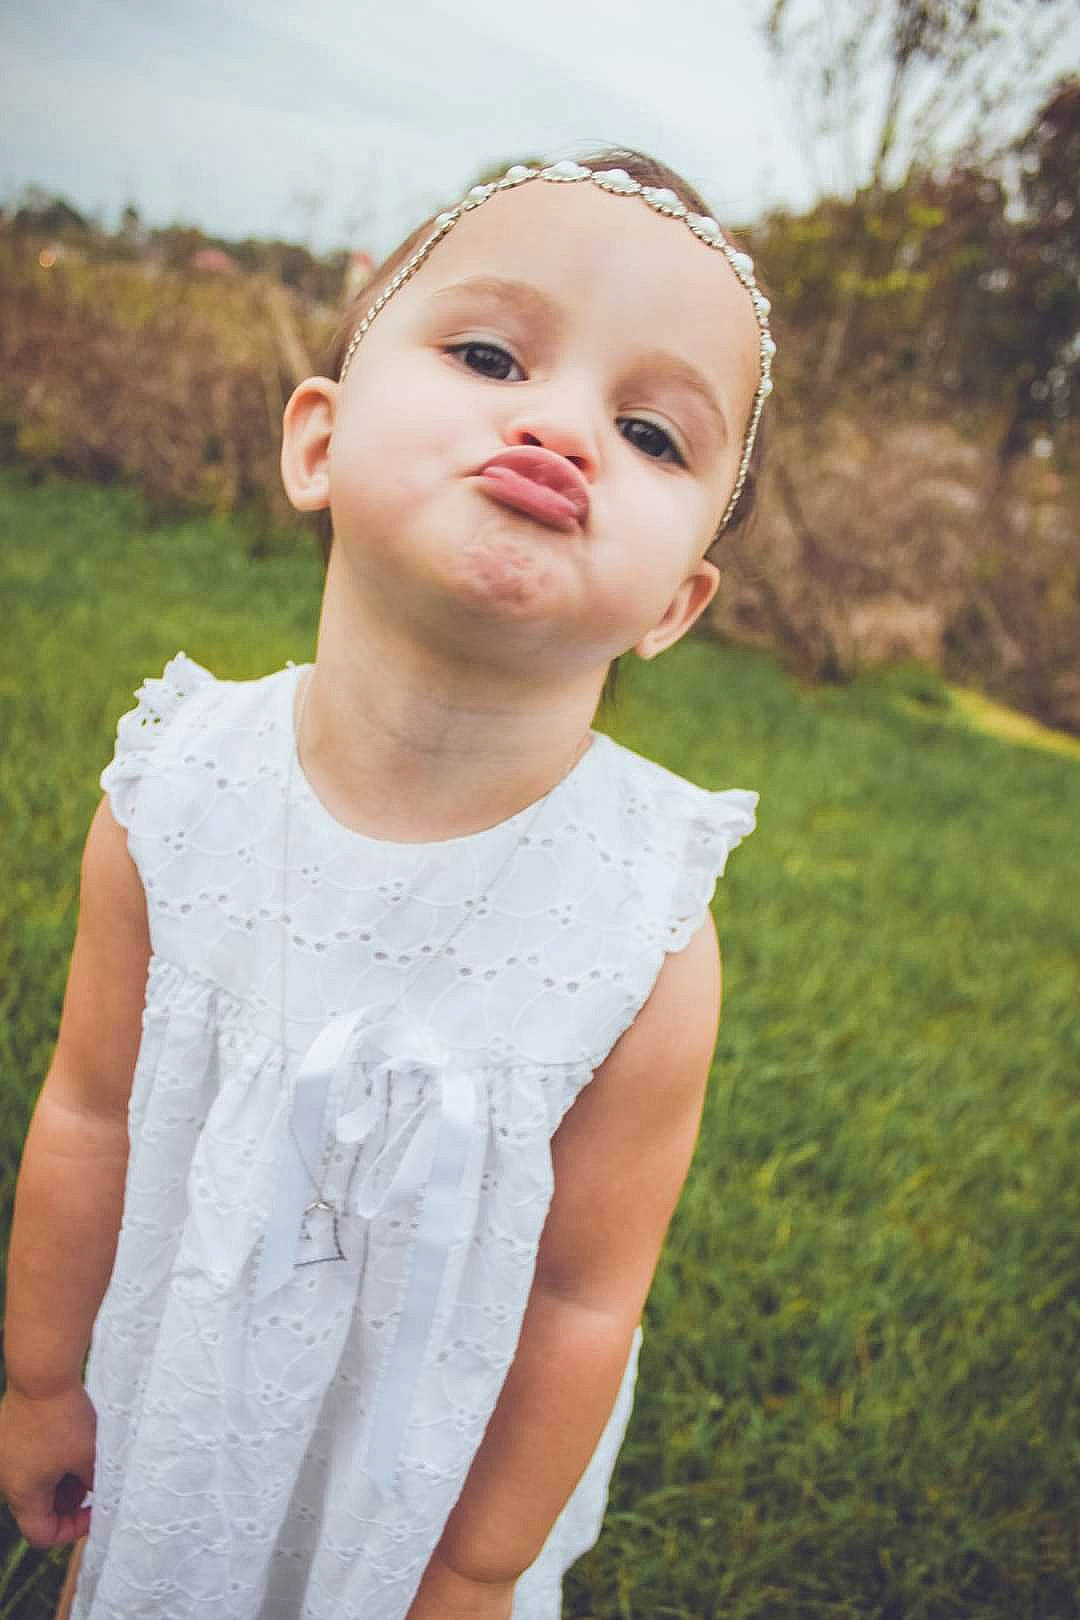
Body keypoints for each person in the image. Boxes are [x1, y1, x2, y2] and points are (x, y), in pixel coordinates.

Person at [0, 147, 771, 1620]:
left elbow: (578, 1299)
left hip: (419, 1489)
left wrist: (476, 1572)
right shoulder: (177, 791)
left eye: (656, 433)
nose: (561, 425)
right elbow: (90, 1106)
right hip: (180, 1391)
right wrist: (43, 1379)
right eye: (490, 354)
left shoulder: (643, 931)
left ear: (676, 605)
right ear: (318, 442)